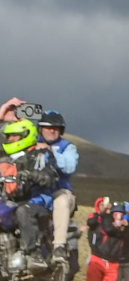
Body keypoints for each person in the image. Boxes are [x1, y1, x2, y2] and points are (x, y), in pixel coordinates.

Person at [0, 119, 58, 271]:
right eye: (9, 136)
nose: (11, 139)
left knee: (23, 211)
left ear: (27, 135)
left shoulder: (41, 154)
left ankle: (34, 254)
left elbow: (50, 176)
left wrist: (32, 175)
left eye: (15, 136)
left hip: (37, 201)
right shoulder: (5, 159)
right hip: (10, 201)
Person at [35, 110, 78, 262]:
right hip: (35, 191)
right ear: (41, 128)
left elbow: (70, 166)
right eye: (48, 127)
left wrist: (51, 152)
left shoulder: (67, 147)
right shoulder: (31, 142)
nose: (52, 130)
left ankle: (59, 246)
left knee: (62, 201)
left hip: (58, 190)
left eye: (56, 128)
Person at [85, 201, 129, 281]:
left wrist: (127, 226)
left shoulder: (126, 225)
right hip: (99, 256)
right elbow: (108, 229)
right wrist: (117, 226)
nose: (118, 216)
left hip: (113, 260)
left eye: (120, 213)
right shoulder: (106, 219)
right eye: (116, 213)